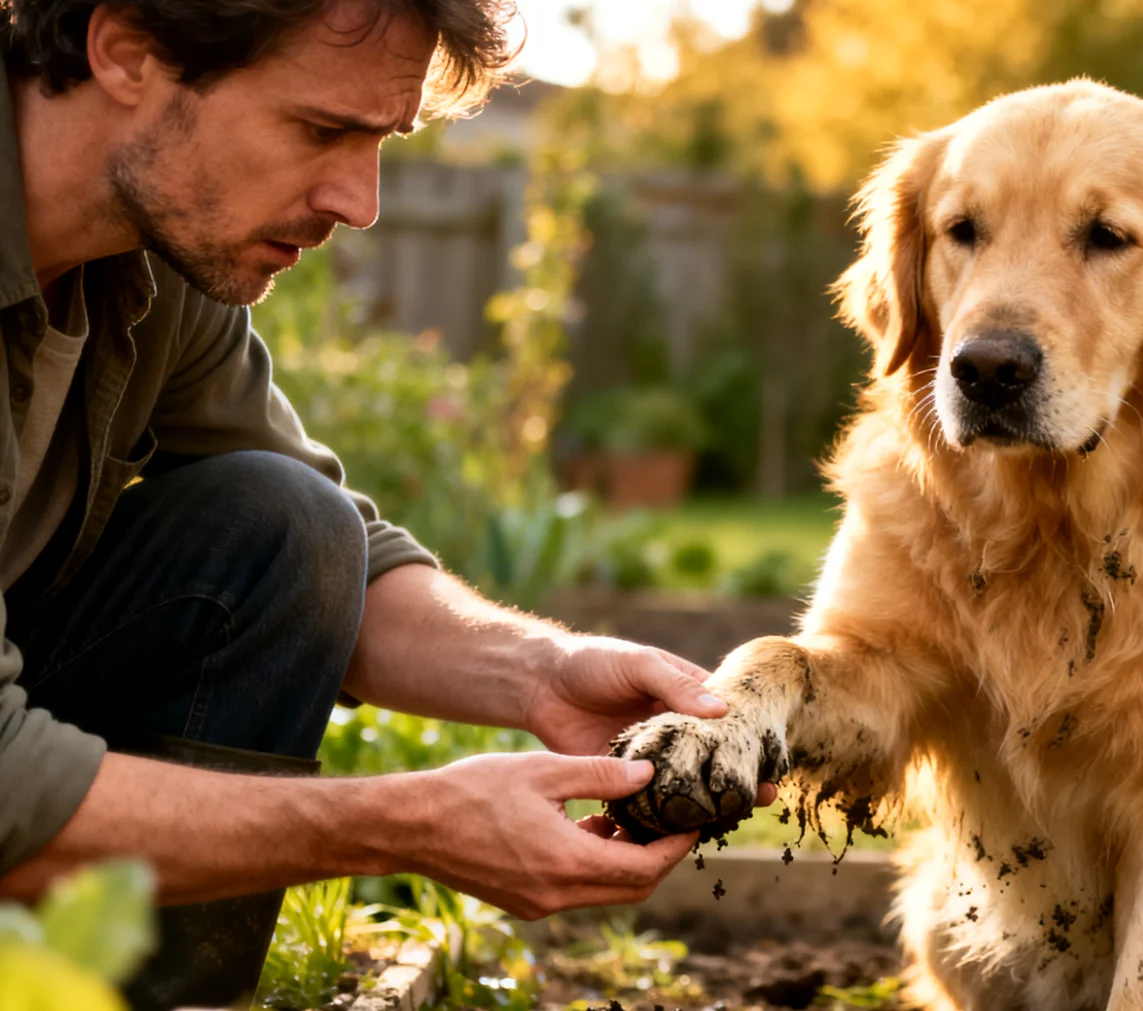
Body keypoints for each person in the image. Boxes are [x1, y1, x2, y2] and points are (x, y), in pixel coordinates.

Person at [0, 2, 758, 1006]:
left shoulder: (147, 264)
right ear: (128, 51)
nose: (361, 201)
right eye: (320, 129)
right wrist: (407, 824)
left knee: (283, 523)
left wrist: (540, 674)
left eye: (379, 140)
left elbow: (334, 551)